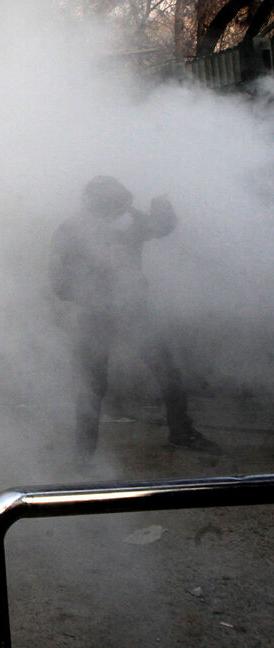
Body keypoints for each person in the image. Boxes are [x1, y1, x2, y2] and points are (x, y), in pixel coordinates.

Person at [49, 176, 221, 461]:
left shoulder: (128, 221)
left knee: (167, 372)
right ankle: (84, 454)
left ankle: (182, 432)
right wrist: (98, 271)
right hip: (95, 314)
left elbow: (161, 227)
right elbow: (60, 285)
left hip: (135, 309)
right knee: (91, 385)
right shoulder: (70, 231)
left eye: (123, 206)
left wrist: (163, 209)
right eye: (115, 208)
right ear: (97, 207)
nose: (122, 213)